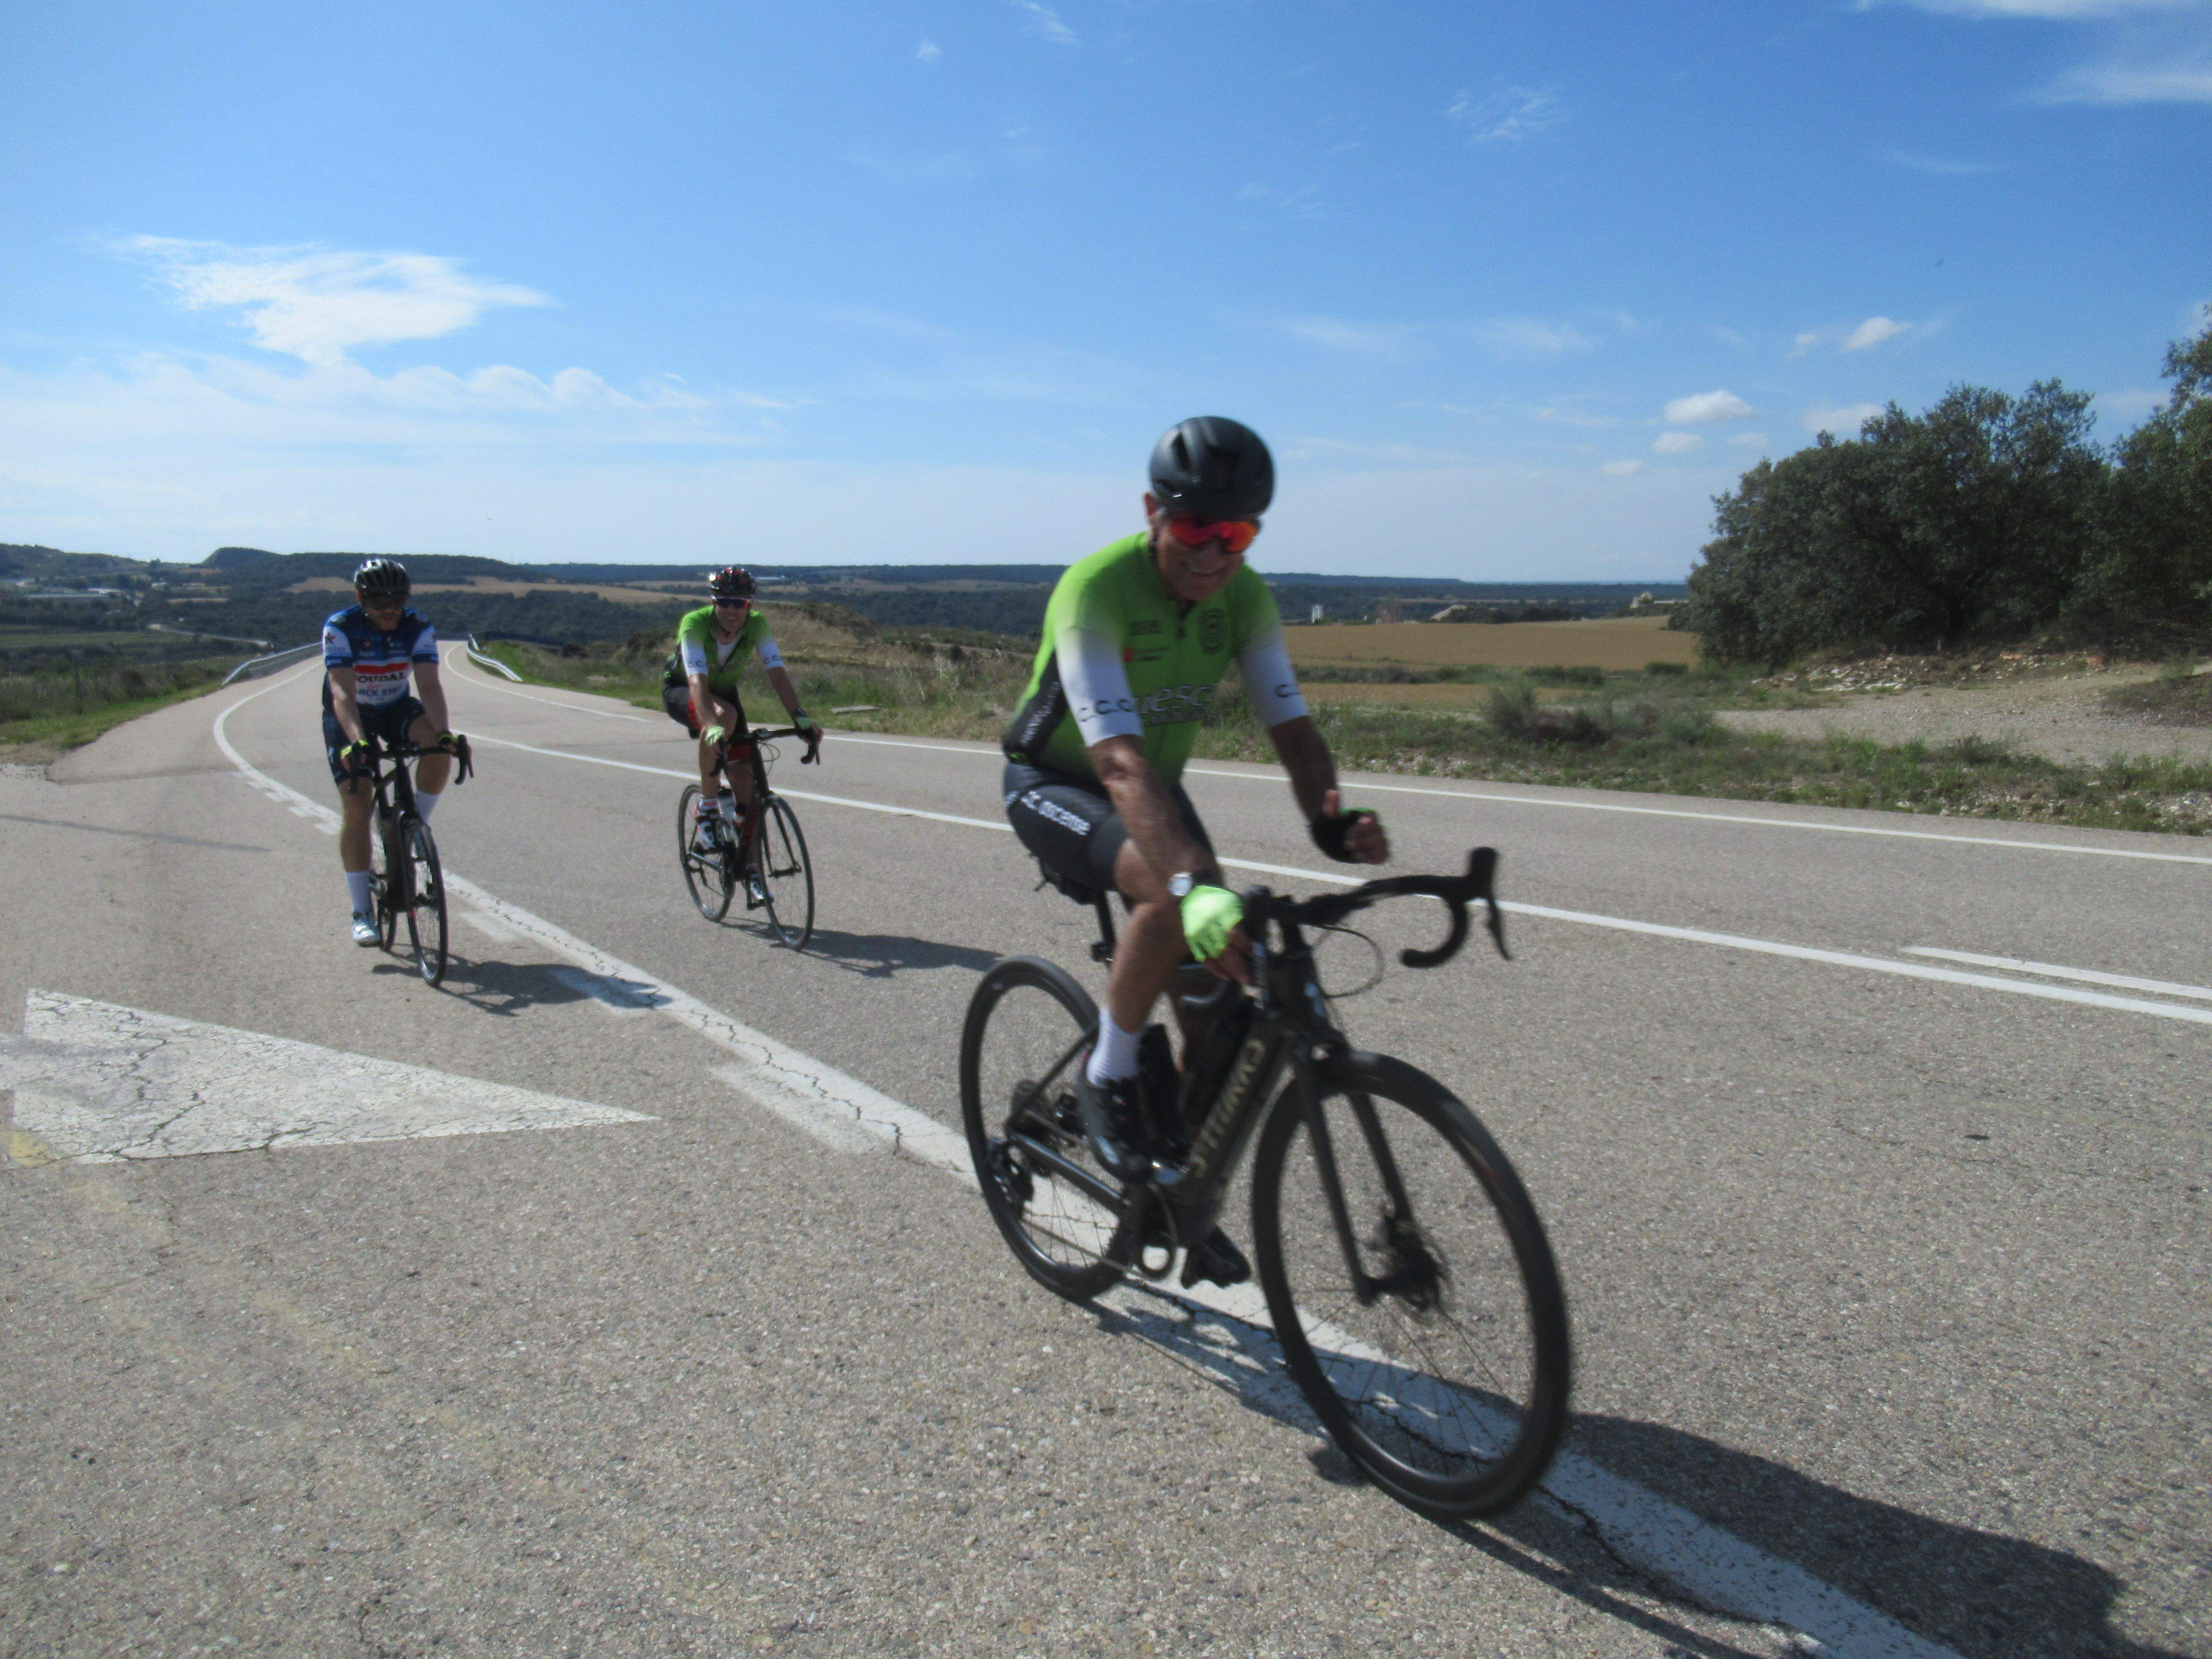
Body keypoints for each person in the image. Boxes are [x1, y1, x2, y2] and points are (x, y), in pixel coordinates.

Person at [1001, 416, 1388, 1288]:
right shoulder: (1095, 592)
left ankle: (1165, 1188)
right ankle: (1107, 1074)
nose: (1216, 553)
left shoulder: (1246, 599)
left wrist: (1331, 816)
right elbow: (1119, 760)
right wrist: (1191, 884)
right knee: (1176, 899)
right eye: (1196, 529)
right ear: (1153, 512)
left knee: (1219, 1024)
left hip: (1154, 801)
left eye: (1239, 535)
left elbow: (1292, 729)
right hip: (1058, 785)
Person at [322, 559, 463, 945]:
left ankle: (416, 826)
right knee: (358, 802)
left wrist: (445, 733)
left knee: (438, 749)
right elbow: (341, 693)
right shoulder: (341, 628)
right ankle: (361, 911)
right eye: (378, 600)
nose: (388, 608)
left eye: (397, 600)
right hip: (353, 712)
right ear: (360, 598)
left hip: (396, 706)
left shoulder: (417, 628)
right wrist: (357, 740)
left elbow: (430, 686)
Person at [661, 567, 822, 899]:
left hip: (724, 694)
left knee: (748, 791)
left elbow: (777, 674)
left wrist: (802, 720)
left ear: (749, 605)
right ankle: (707, 805)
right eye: (726, 602)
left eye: (742, 603)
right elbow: (697, 682)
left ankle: (750, 870)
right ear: (714, 601)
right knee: (724, 715)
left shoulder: (756, 624)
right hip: (685, 692)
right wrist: (711, 727)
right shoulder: (695, 624)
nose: (733, 610)